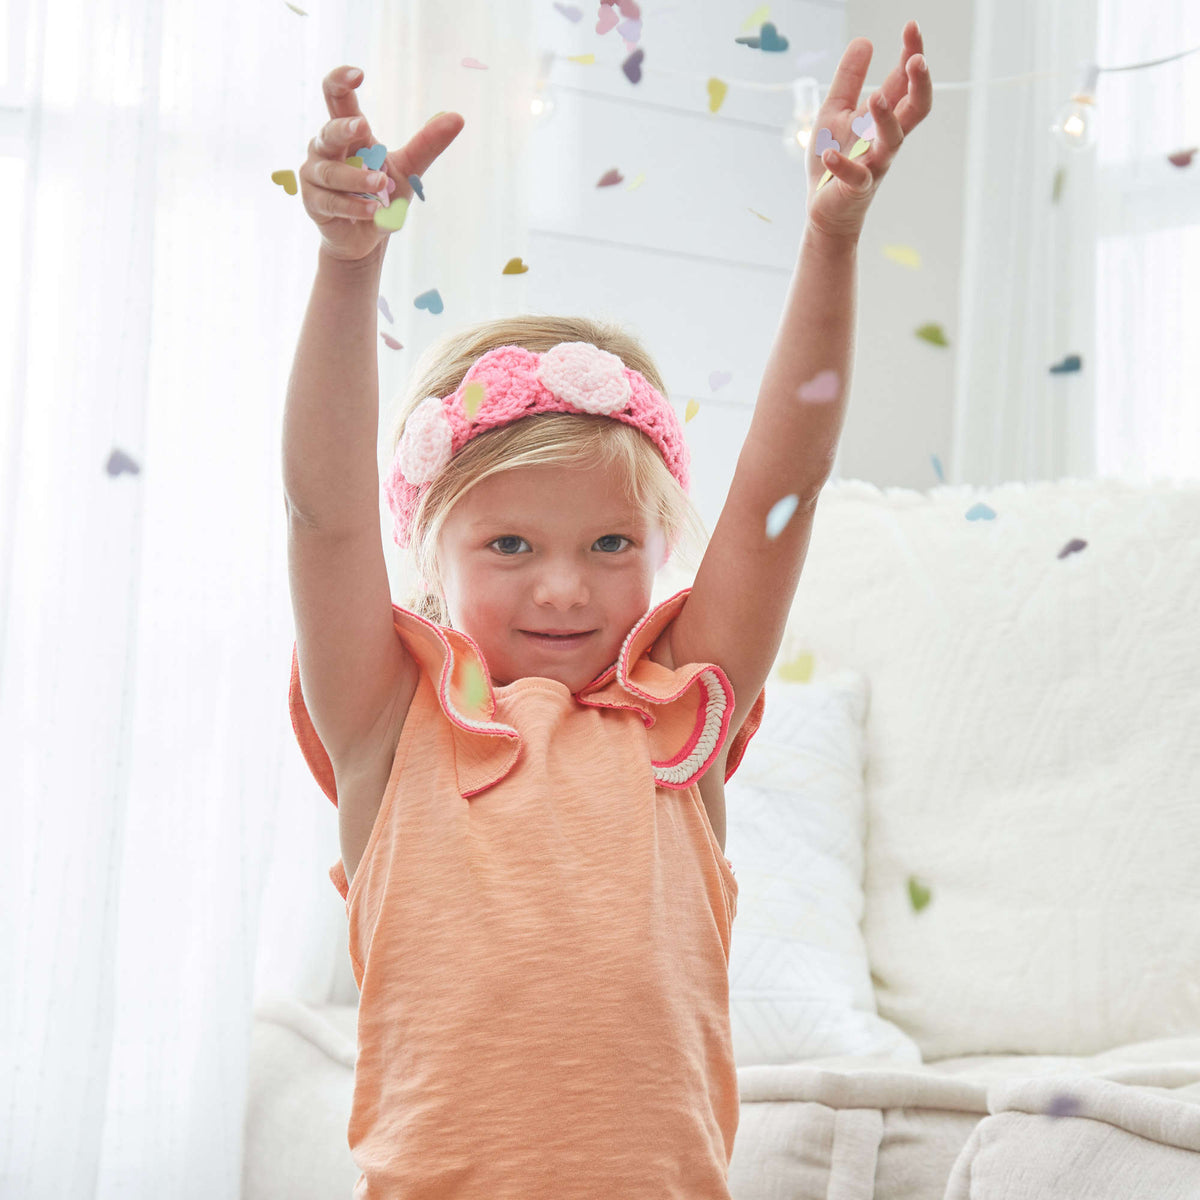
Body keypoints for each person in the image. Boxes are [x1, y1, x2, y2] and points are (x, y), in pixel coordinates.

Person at [283, 27, 931, 1200]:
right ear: (431, 559)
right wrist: (346, 268)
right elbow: (321, 519)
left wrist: (830, 241)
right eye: (512, 545)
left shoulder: (679, 711)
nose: (566, 585)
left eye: (612, 543)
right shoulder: (389, 723)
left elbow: (787, 484)